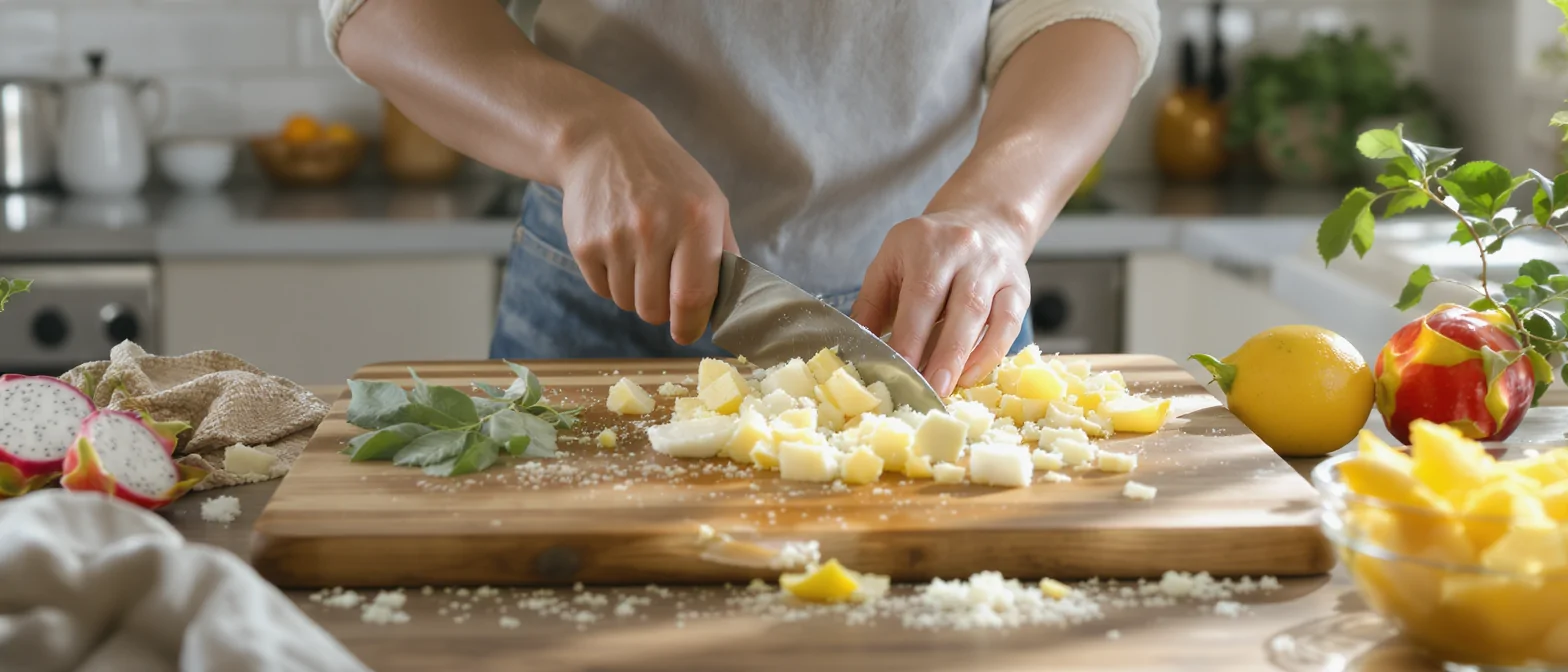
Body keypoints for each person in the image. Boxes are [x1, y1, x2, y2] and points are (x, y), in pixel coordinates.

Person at [321, 0, 1157, 397]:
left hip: (944, 314)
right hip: (605, 299)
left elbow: (1088, 9)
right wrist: (581, 131)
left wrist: (997, 212)